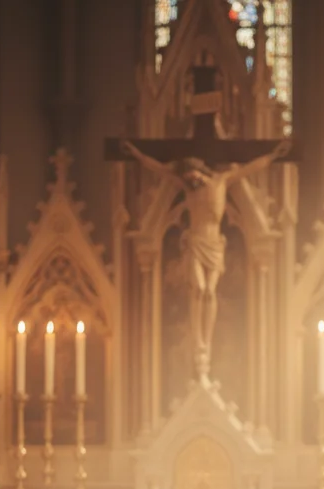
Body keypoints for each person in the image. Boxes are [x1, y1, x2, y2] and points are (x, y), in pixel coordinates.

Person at [122, 139, 291, 380]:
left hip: (214, 247)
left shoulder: (222, 181)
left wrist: (273, 156)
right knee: (199, 289)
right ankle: (200, 341)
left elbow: (251, 167)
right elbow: (160, 169)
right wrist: (138, 155)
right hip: (195, 244)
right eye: (187, 177)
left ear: (200, 170)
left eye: (193, 175)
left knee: (210, 292)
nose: (190, 180)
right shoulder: (186, 186)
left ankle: (205, 342)